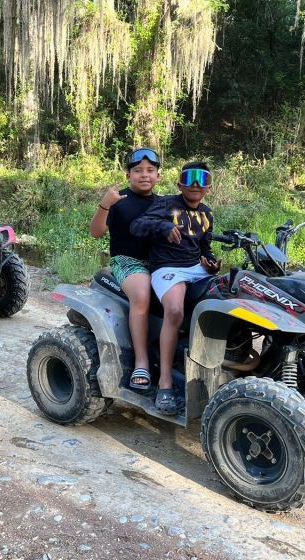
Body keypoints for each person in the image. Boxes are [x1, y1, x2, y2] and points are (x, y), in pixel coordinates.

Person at [130, 161, 222, 414]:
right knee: (175, 310)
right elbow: (136, 226)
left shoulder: (207, 213)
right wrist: (164, 226)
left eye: (201, 179)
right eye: (189, 178)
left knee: (226, 300)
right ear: (179, 183)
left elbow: (204, 247)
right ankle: (165, 383)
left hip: (196, 269)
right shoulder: (166, 204)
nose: (195, 185)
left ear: (209, 186)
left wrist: (211, 262)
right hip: (167, 267)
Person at [90, 148, 161, 391]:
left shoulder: (163, 203)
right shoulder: (118, 200)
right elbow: (96, 232)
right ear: (128, 174)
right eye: (138, 170)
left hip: (159, 263)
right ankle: (141, 362)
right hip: (127, 261)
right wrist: (105, 204)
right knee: (142, 295)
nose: (144, 175)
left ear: (158, 176)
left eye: (150, 171)